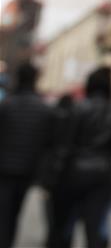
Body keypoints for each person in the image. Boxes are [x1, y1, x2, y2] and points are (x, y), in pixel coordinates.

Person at [47, 66, 111, 248]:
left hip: (73, 172)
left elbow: (64, 144)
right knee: (94, 226)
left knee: (64, 224)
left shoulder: (78, 107)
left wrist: (52, 176)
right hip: (101, 173)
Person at [0, 62, 55, 248]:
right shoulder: (44, 109)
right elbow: (47, 144)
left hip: (4, 168)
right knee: (15, 212)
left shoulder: (6, 105)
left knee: (3, 213)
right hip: (27, 170)